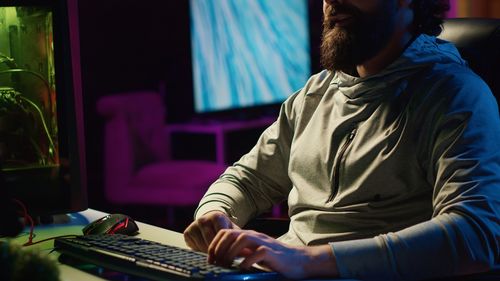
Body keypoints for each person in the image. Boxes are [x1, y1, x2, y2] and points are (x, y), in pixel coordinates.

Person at [183, 0, 500, 280]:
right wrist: (216, 215)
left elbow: (475, 235)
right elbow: (248, 180)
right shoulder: (313, 94)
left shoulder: (457, 96)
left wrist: (308, 260)